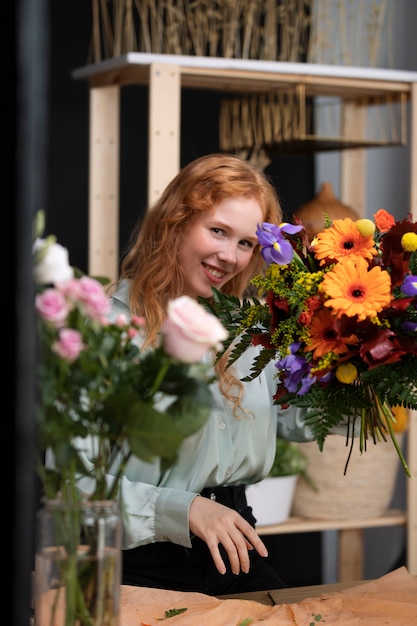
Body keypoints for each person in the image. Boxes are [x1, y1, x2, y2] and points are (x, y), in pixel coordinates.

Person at [106, 153, 315, 595]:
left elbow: (290, 418)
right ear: (175, 221)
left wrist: (360, 372)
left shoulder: (250, 328)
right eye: (218, 231)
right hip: (136, 564)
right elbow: (72, 486)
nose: (230, 256)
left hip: (236, 549)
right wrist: (184, 510)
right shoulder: (104, 329)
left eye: (245, 243)